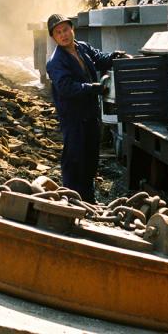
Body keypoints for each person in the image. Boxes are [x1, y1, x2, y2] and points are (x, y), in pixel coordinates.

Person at [45, 13, 129, 203]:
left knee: (91, 159)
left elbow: (99, 59)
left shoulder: (82, 48)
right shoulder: (56, 62)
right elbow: (66, 88)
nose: (64, 35)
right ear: (54, 37)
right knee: (74, 160)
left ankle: (88, 200)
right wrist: (92, 88)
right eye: (58, 32)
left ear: (72, 29)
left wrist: (113, 56)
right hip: (73, 118)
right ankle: (71, 200)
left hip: (90, 114)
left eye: (65, 29)